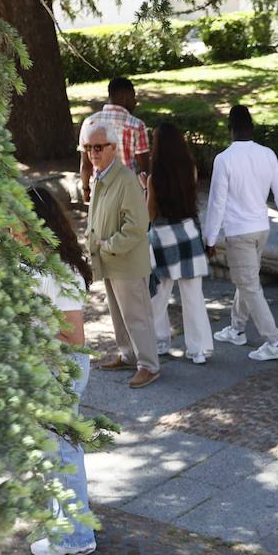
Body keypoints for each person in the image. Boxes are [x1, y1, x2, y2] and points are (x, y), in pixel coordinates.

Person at [25, 186, 97, 555]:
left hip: (59, 367)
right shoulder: (33, 262)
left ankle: (74, 537)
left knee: (63, 453)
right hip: (45, 365)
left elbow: (72, 334)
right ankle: (67, 523)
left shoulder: (62, 270)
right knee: (58, 452)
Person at [204, 104, 278, 363]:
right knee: (247, 282)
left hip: (238, 232)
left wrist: (209, 239)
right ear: (252, 127)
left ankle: (274, 341)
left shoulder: (224, 159)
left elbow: (216, 202)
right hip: (261, 229)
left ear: (230, 129)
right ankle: (236, 328)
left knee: (249, 285)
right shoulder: (267, 154)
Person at [83, 119, 162, 389]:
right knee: (118, 314)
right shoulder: (100, 177)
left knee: (137, 315)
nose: (92, 152)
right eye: (88, 147)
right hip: (109, 260)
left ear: (113, 148)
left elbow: (137, 226)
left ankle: (149, 365)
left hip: (125, 261)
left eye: (98, 147)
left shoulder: (125, 179)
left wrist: (108, 245)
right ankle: (129, 355)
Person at [148, 122, 214, 365]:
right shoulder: (191, 170)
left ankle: (159, 341)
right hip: (188, 233)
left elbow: (151, 213)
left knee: (158, 294)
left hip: (163, 236)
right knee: (193, 295)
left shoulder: (154, 178)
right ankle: (199, 349)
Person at [79, 77, 150, 203]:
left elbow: (86, 164)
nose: (135, 102)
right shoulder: (136, 125)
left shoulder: (89, 122)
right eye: (133, 97)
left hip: (101, 193)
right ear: (124, 97)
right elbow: (144, 167)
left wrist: (86, 189)